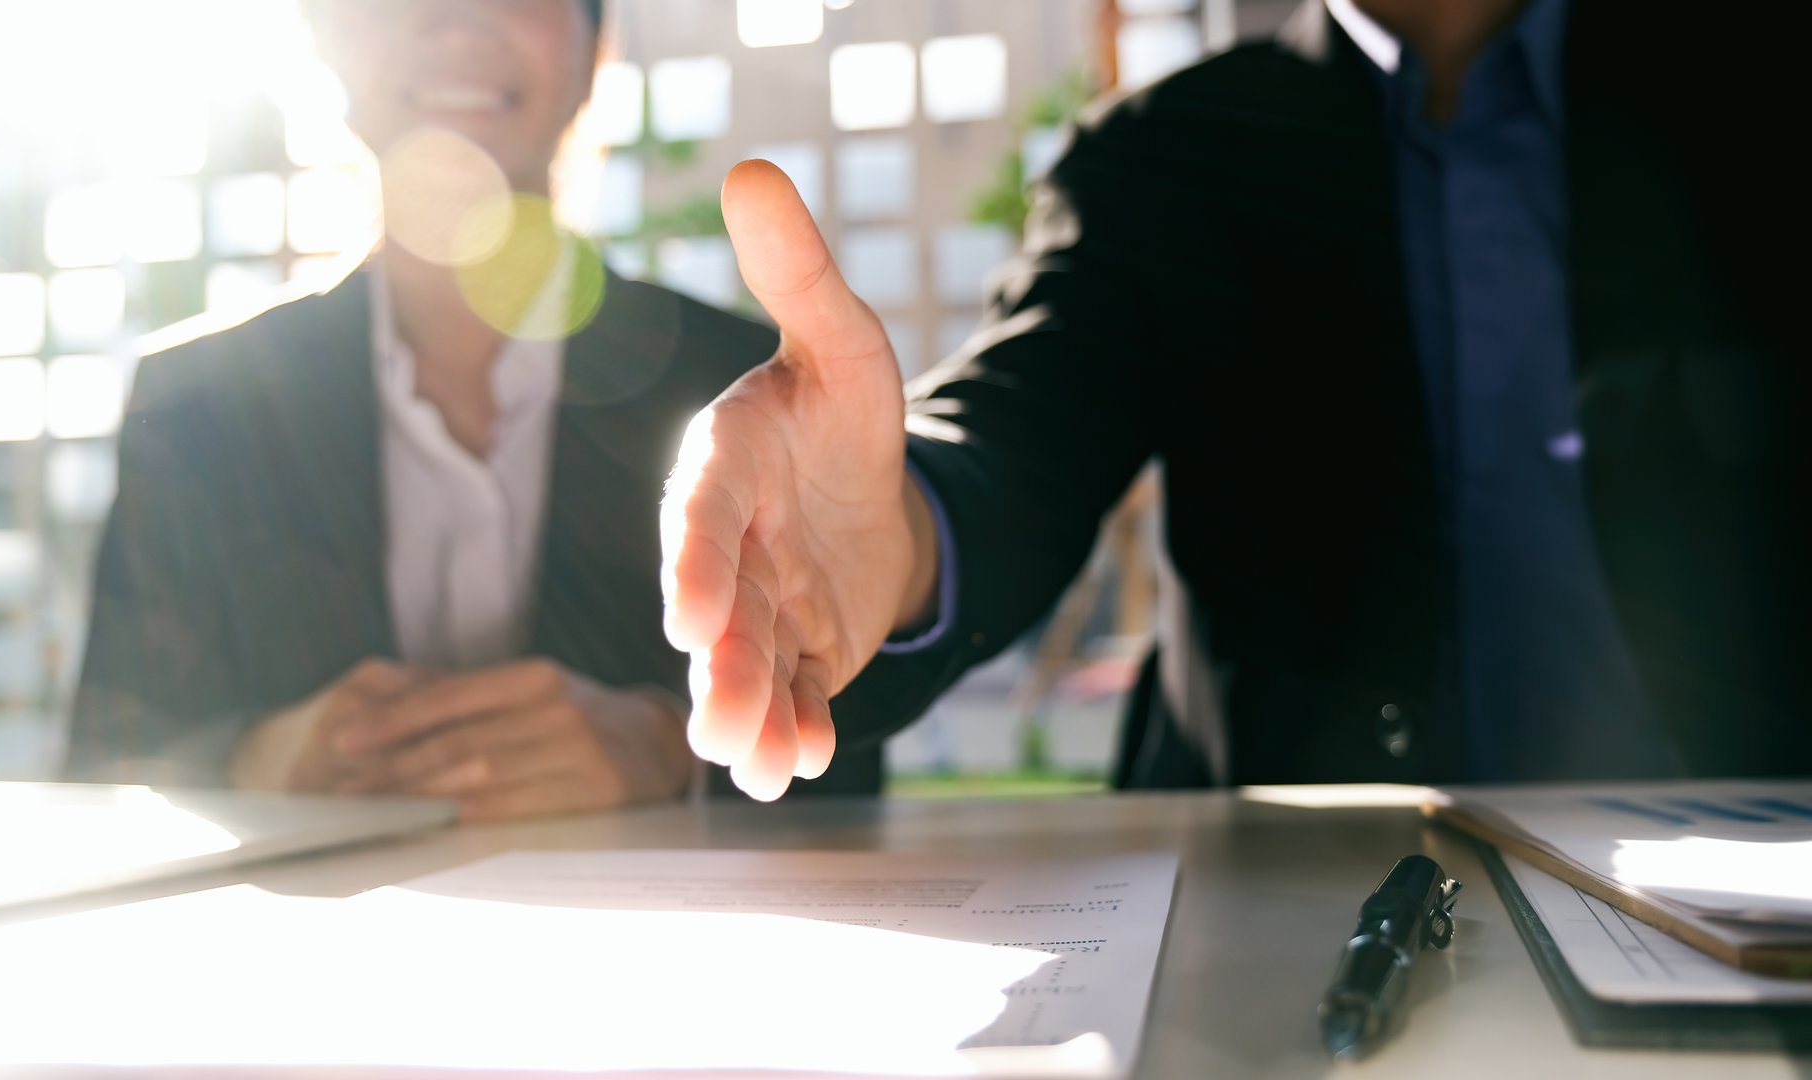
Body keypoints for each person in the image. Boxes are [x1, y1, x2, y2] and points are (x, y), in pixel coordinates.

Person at [662, 0, 1807, 801]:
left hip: (1741, 897)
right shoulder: (1167, 160)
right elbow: (1021, 434)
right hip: (1278, 924)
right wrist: (896, 532)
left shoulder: (1756, 86)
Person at [64, 0, 883, 815]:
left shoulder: (743, 388)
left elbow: (854, 763)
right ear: (322, 41)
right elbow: (100, 766)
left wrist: (673, 748)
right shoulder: (195, 406)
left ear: (594, 48)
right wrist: (254, 763)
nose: (455, 24)